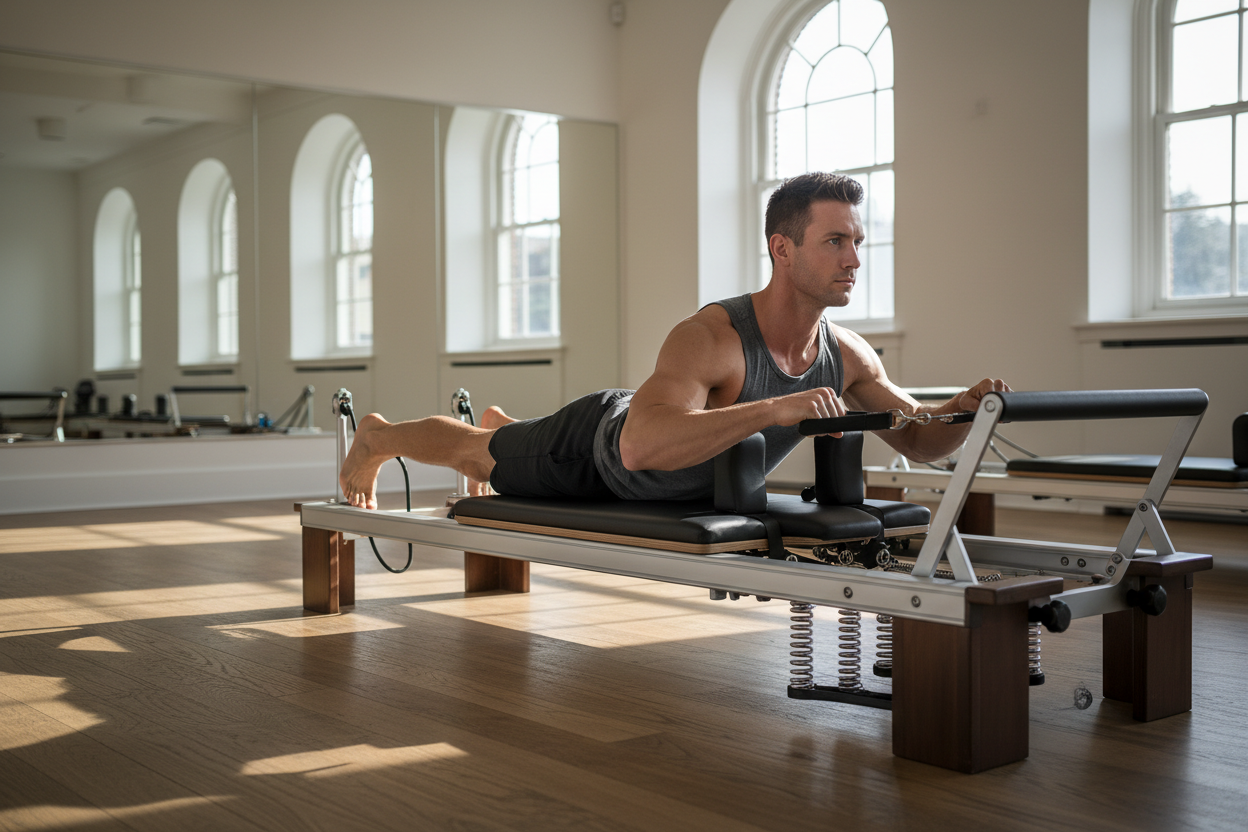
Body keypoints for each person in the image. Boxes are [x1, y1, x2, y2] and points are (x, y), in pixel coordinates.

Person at [339, 172, 1009, 510]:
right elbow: (639, 447)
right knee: (476, 457)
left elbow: (918, 438)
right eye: (835, 241)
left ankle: (505, 428)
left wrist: (963, 409)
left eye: (857, 242)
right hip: (597, 453)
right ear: (782, 249)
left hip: (660, 461)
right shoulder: (713, 337)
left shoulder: (847, 355)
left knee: (498, 445)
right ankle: (378, 436)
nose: (854, 259)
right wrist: (777, 409)